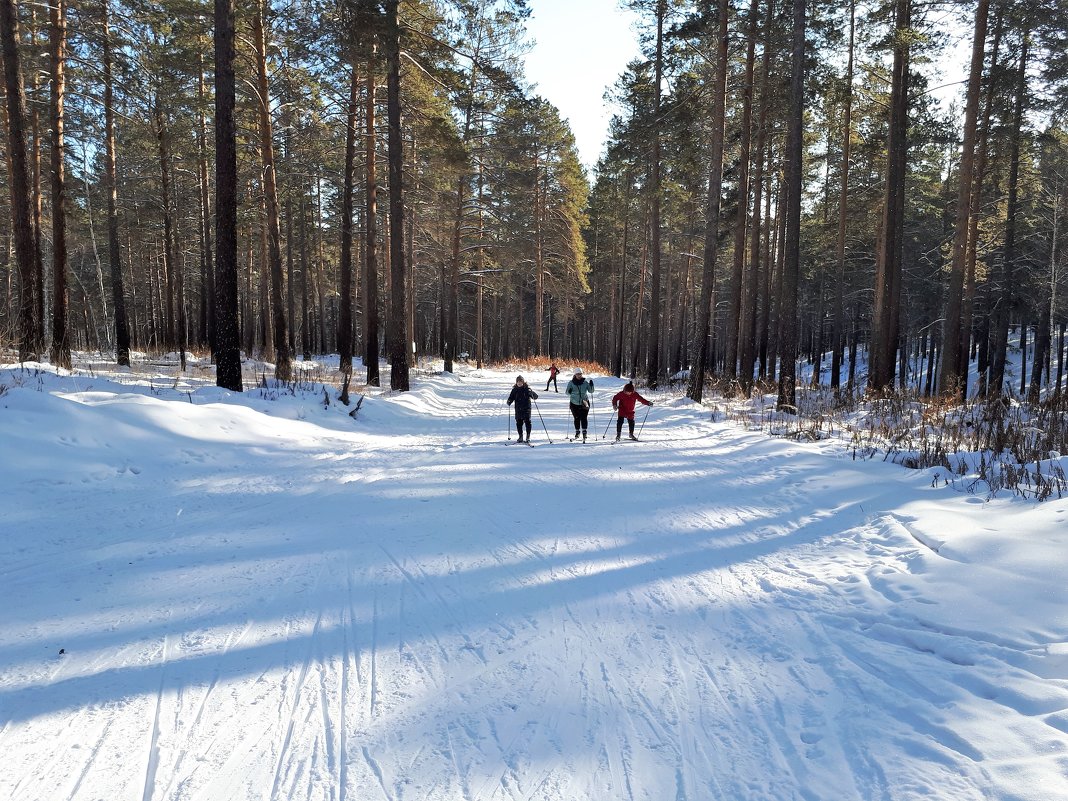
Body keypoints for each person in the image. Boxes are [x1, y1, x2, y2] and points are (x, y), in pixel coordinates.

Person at [506, 375, 539, 442]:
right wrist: (509, 401)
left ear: (523, 382)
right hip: (518, 409)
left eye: (521, 382)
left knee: (527, 422)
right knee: (519, 423)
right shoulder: (514, 390)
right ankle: (520, 436)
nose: (519, 383)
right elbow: (511, 397)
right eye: (518, 382)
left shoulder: (527, 389)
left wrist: (531, 392)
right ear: (516, 382)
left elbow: (535, 397)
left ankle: (528, 436)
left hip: (526, 408)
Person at [565, 368, 594, 441]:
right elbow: (567, 393)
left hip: (584, 402)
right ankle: (577, 432)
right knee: (577, 418)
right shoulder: (571, 383)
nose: (579, 376)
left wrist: (591, 385)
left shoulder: (585, 382)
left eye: (580, 374)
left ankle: (584, 432)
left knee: (584, 417)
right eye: (578, 374)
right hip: (574, 403)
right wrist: (570, 391)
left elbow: (591, 391)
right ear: (575, 375)